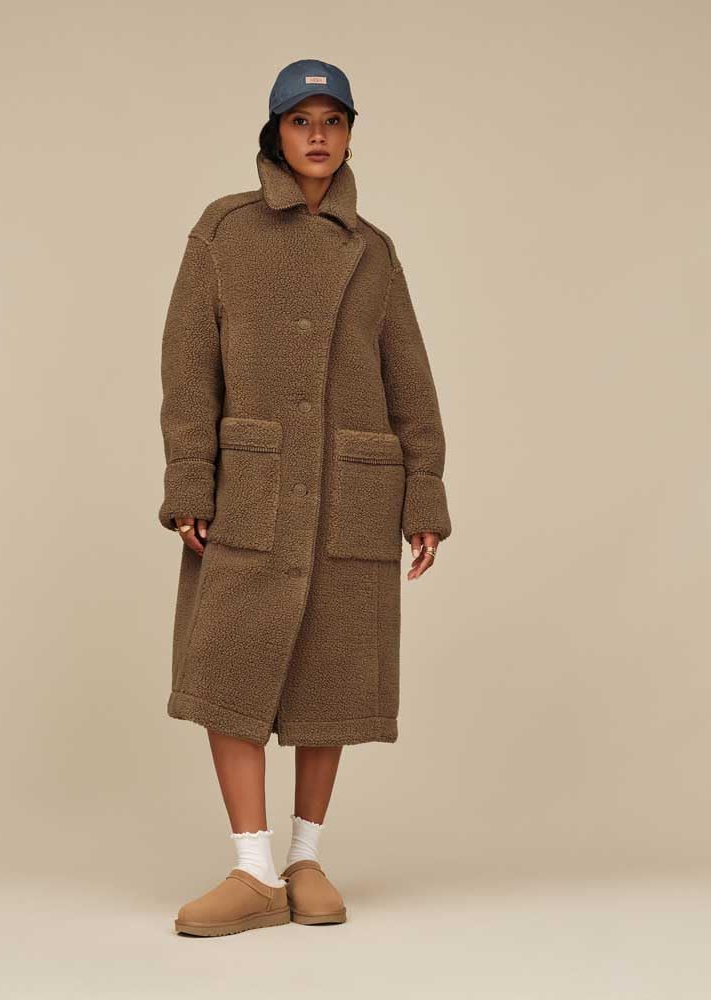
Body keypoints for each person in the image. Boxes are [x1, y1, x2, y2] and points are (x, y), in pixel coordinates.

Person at [159, 59, 453, 937]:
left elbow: (411, 381)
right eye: (301, 120)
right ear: (275, 133)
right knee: (231, 663)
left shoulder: (374, 251)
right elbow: (187, 366)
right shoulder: (224, 229)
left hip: (350, 491)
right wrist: (189, 479)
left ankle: (304, 858)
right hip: (250, 487)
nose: (318, 136)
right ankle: (252, 871)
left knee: (332, 669)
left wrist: (424, 494)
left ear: (351, 133)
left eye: (333, 120)